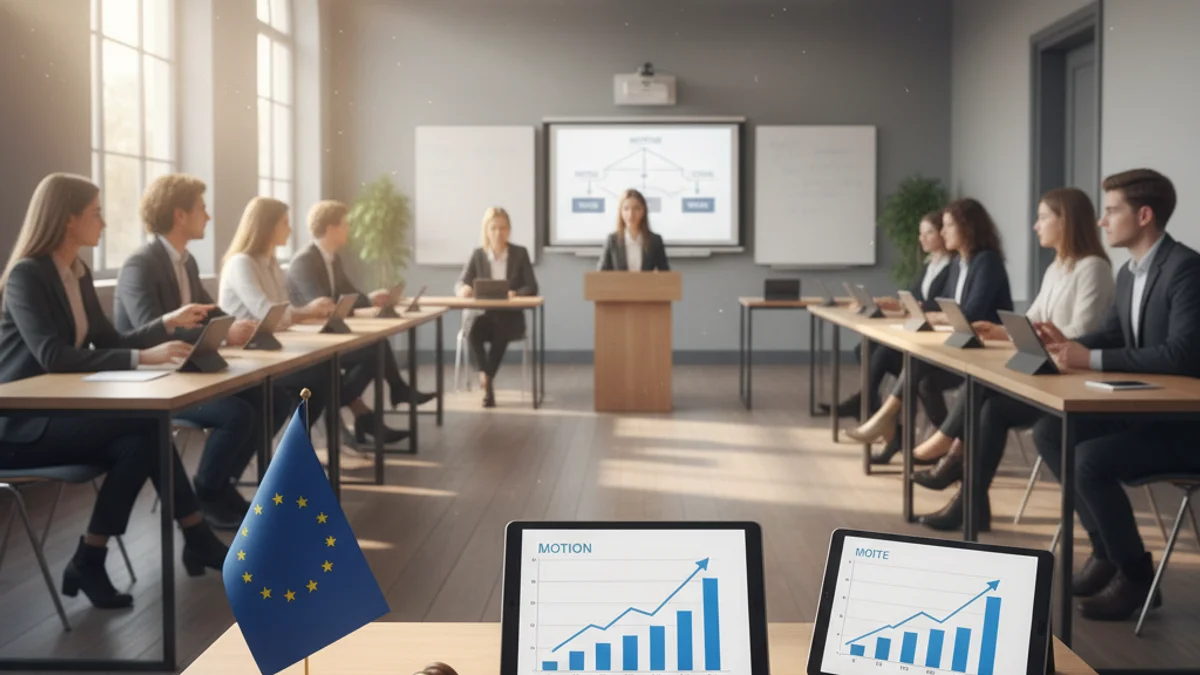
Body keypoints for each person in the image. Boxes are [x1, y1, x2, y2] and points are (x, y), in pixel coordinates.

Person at [0, 173, 229, 610]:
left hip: (57, 416)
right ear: (67, 220)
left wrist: (166, 324)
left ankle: (92, 556)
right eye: (96, 214)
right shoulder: (26, 276)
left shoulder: (76, 272)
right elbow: (53, 356)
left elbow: (107, 339)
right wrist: (144, 358)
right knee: (145, 429)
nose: (103, 224)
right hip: (18, 426)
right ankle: (193, 535)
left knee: (139, 439)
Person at [1032, 169, 1200, 621]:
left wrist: (1092, 359)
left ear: (1143, 215)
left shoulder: (1186, 269)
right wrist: (1064, 343)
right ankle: (1106, 552)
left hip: (1185, 425)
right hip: (1144, 410)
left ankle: (1137, 576)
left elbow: (1182, 354)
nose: (1103, 222)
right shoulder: (1129, 273)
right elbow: (1113, 333)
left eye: (1111, 211)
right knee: (1050, 432)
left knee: (1091, 460)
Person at [913, 187, 1114, 531]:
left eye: (1042, 218)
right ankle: (969, 502)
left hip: (1069, 382)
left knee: (982, 389)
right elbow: (1033, 319)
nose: (1036, 227)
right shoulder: (1057, 268)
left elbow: (1080, 331)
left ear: (1065, 221)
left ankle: (950, 447)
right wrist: (1000, 330)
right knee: (989, 405)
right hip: (1047, 371)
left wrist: (1026, 333)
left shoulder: (1093, 267)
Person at [114, 174, 264, 529]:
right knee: (237, 415)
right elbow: (147, 330)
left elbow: (212, 312)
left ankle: (219, 485)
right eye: (202, 209)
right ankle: (208, 491)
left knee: (273, 398)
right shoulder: (140, 264)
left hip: (187, 372)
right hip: (154, 380)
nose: (208, 217)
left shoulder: (187, 261)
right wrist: (225, 336)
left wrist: (237, 327)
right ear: (180, 215)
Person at [847, 199, 1013, 457]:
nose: (943, 231)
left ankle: (888, 418)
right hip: (959, 345)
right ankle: (942, 444)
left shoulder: (987, 262)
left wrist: (939, 317)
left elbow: (971, 314)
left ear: (967, 227)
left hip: (984, 351)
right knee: (912, 373)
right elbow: (944, 308)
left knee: (916, 363)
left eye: (948, 226)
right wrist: (934, 315)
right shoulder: (959, 263)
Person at [287, 200, 433, 443]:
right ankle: (365, 404)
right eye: (346, 224)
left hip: (331, 332)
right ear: (331, 228)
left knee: (376, 348)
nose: (350, 229)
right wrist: (356, 305)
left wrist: (370, 298)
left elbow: (348, 295)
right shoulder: (305, 260)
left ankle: (365, 407)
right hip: (312, 339)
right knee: (375, 351)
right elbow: (321, 304)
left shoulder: (333, 258)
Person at [823, 209, 955, 462]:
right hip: (922, 333)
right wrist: (895, 304)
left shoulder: (952, 267)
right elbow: (917, 300)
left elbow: (939, 305)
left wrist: (911, 307)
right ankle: (883, 421)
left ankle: (874, 411)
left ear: (941, 233)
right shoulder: (930, 265)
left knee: (885, 354)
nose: (922, 239)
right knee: (866, 348)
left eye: (928, 232)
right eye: (920, 233)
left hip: (936, 342)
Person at [218, 197, 331, 429]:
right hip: (243, 356)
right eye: (284, 222)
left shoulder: (271, 264)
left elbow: (280, 313)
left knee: (324, 374)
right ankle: (292, 449)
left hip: (265, 350)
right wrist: (308, 311)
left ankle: (292, 448)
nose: (289, 229)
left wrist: (292, 315)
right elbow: (268, 313)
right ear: (267, 226)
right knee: (319, 378)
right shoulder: (241, 263)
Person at [455, 206, 538, 408]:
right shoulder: (477, 255)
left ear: (509, 230)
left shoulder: (520, 253)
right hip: (484, 316)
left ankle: (487, 380)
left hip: (510, 318)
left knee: (502, 329)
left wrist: (515, 293)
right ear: (486, 230)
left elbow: (532, 286)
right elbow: (460, 283)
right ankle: (487, 375)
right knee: (472, 330)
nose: (498, 233)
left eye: (502, 228)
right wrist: (464, 289)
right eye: (493, 228)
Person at [598, 189, 670, 272]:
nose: (631, 214)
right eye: (626, 209)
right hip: (619, 285)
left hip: (645, 285)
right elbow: (601, 275)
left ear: (643, 211)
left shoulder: (655, 240)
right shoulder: (612, 240)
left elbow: (665, 274)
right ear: (620, 212)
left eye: (636, 208)